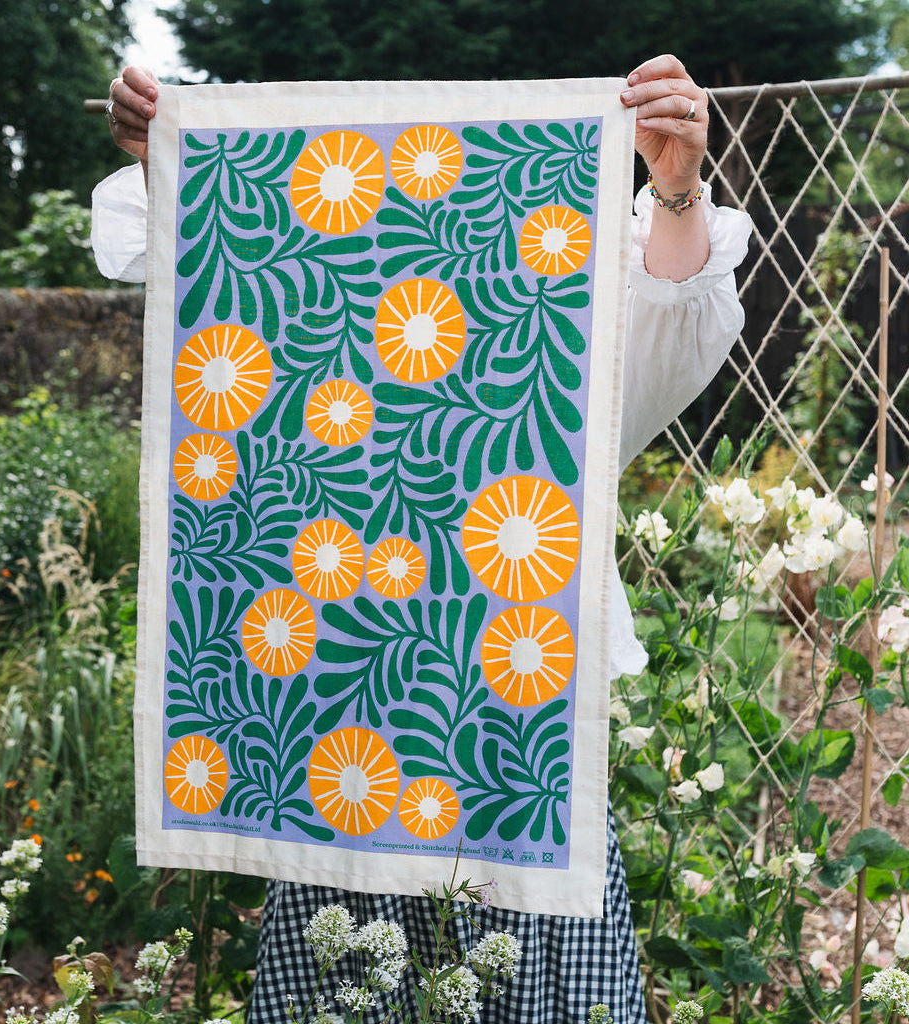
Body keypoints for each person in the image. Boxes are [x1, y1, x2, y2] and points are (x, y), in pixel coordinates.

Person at [94, 55, 751, 1023]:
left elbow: (676, 322)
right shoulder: (318, 309)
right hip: (338, 745)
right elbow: (227, 291)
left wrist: (677, 180)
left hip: (515, 755)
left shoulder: (577, 310)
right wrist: (174, 157)